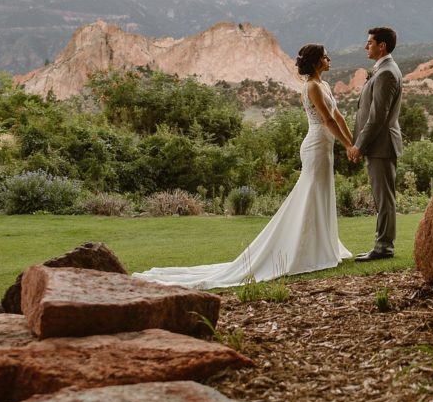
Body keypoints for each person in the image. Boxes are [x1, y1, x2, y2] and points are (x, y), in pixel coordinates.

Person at [133, 44, 353, 289]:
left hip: (325, 146)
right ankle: (306, 250)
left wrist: (351, 143)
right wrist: (347, 145)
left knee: (322, 194)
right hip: (316, 145)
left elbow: (339, 116)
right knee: (311, 194)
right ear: (316, 62)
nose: (329, 59)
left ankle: (323, 245)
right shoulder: (311, 86)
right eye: (325, 57)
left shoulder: (325, 85)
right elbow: (327, 119)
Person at [347, 27, 403, 262]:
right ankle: (382, 244)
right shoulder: (383, 70)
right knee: (382, 197)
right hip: (379, 145)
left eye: (369, 42)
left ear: (382, 46)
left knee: (384, 198)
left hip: (382, 145)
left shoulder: (386, 73)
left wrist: (359, 145)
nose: (365, 46)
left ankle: (384, 247)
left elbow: (377, 116)